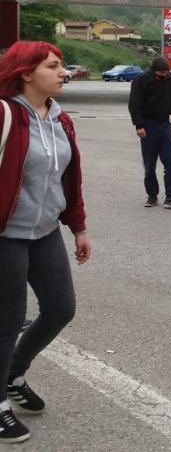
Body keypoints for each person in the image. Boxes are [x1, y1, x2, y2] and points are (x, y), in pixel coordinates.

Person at [0, 41, 92, 444]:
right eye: (53, 66)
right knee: (6, 321)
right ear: (25, 72)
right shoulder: (5, 115)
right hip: (5, 234)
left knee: (60, 309)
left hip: (46, 232)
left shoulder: (61, 120)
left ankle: (14, 373)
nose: (62, 72)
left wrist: (79, 227)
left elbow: (69, 181)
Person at [128, 56, 171, 209]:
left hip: (164, 125)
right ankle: (152, 196)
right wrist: (139, 125)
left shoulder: (169, 78)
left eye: (166, 72)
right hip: (147, 126)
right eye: (161, 73)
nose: (164, 75)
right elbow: (134, 103)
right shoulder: (141, 80)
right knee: (149, 164)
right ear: (154, 70)